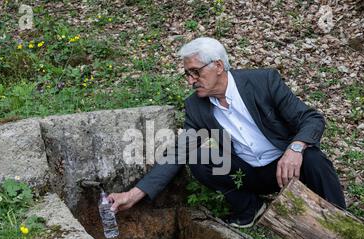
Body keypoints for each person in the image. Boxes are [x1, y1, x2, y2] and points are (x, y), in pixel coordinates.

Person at [108, 37, 346, 228]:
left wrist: (295, 149)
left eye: (195, 72)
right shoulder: (196, 106)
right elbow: (178, 154)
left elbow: (311, 119)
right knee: (199, 159)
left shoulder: (264, 82)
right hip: (248, 173)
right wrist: (132, 195)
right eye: (187, 74)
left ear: (218, 66)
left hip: (288, 167)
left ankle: (343, 224)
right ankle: (250, 208)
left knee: (313, 157)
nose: (191, 81)